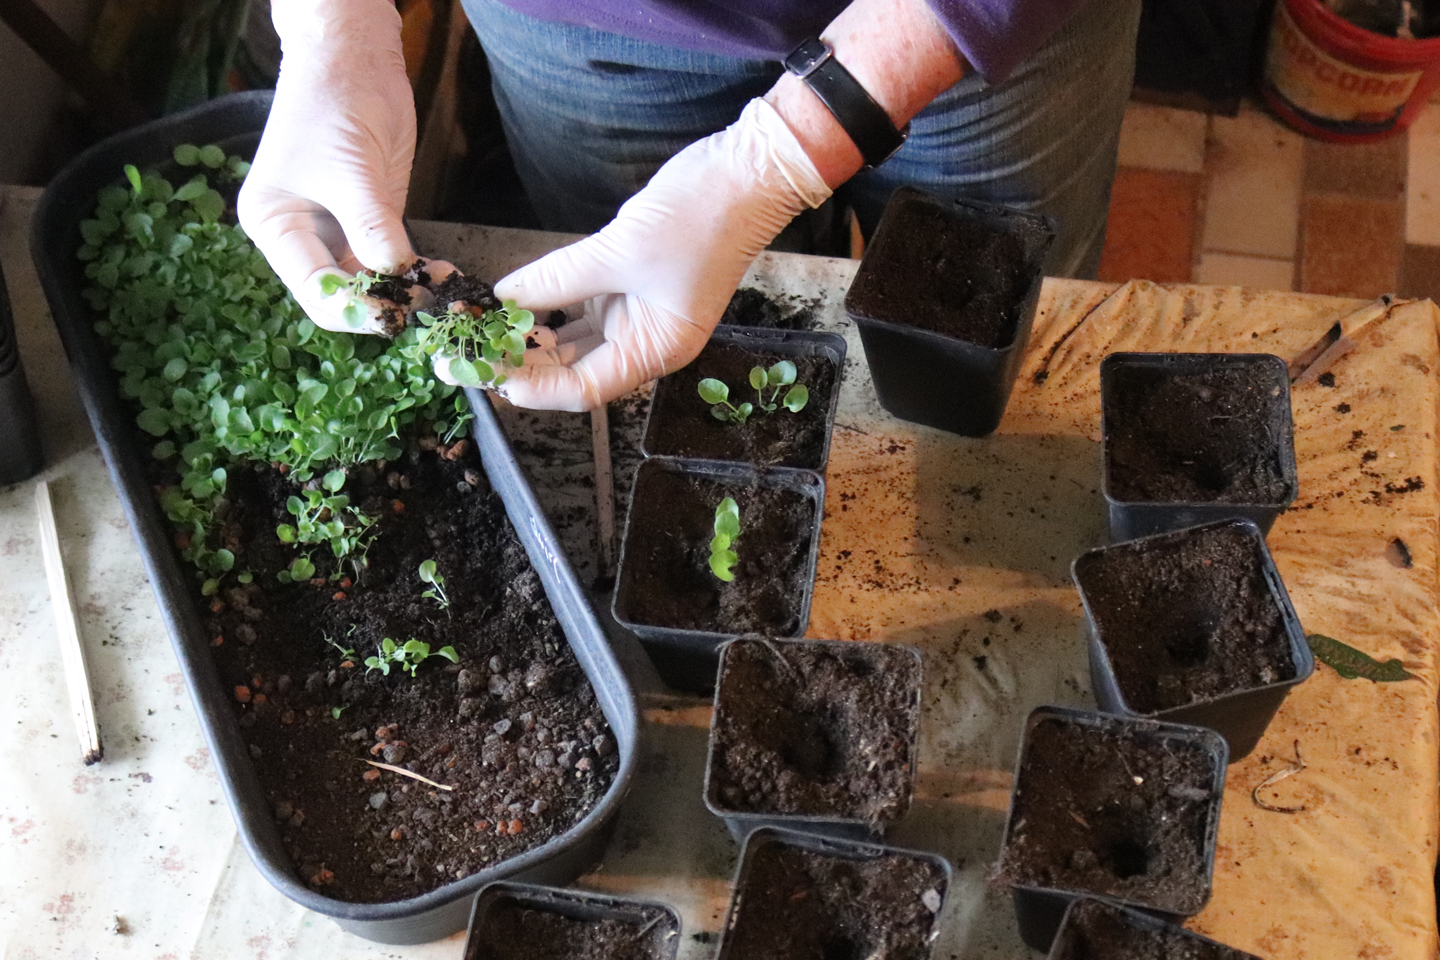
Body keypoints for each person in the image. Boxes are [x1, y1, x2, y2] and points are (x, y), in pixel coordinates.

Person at [238, 0, 1141, 412]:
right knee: (644, 354)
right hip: (591, 31)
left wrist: (779, 158)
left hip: (967, 30)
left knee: (985, 370)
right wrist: (331, 27)